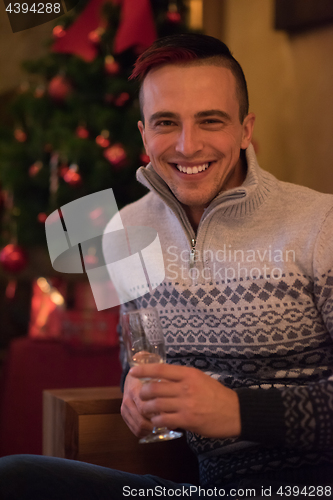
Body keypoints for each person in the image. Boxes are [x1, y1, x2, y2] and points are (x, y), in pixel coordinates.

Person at [0, 33, 332, 500]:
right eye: (166, 122)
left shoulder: (321, 224)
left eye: (210, 121)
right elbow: (136, 366)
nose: (187, 145)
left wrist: (240, 411)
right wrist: (133, 397)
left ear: (245, 129)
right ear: (143, 134)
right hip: (201, 490)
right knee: (13, 479)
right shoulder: (121, 230)